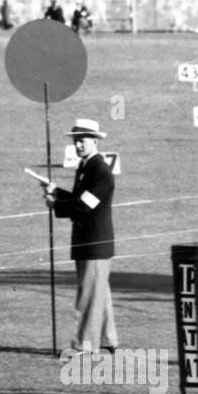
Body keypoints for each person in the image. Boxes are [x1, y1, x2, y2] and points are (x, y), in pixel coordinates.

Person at [43, 119, 118, 354]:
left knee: (89, 293)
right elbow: (80, 197)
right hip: (89, 241)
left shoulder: (99, 171)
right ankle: (107, 340)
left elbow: (85, 205)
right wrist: (56, 192)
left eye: (82, 141)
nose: (78, 146)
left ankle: (85, 347)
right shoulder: (86, 166)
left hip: (94, 242)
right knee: (99, 292)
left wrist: (56, 204)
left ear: (95, 141)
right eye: (75, 141)